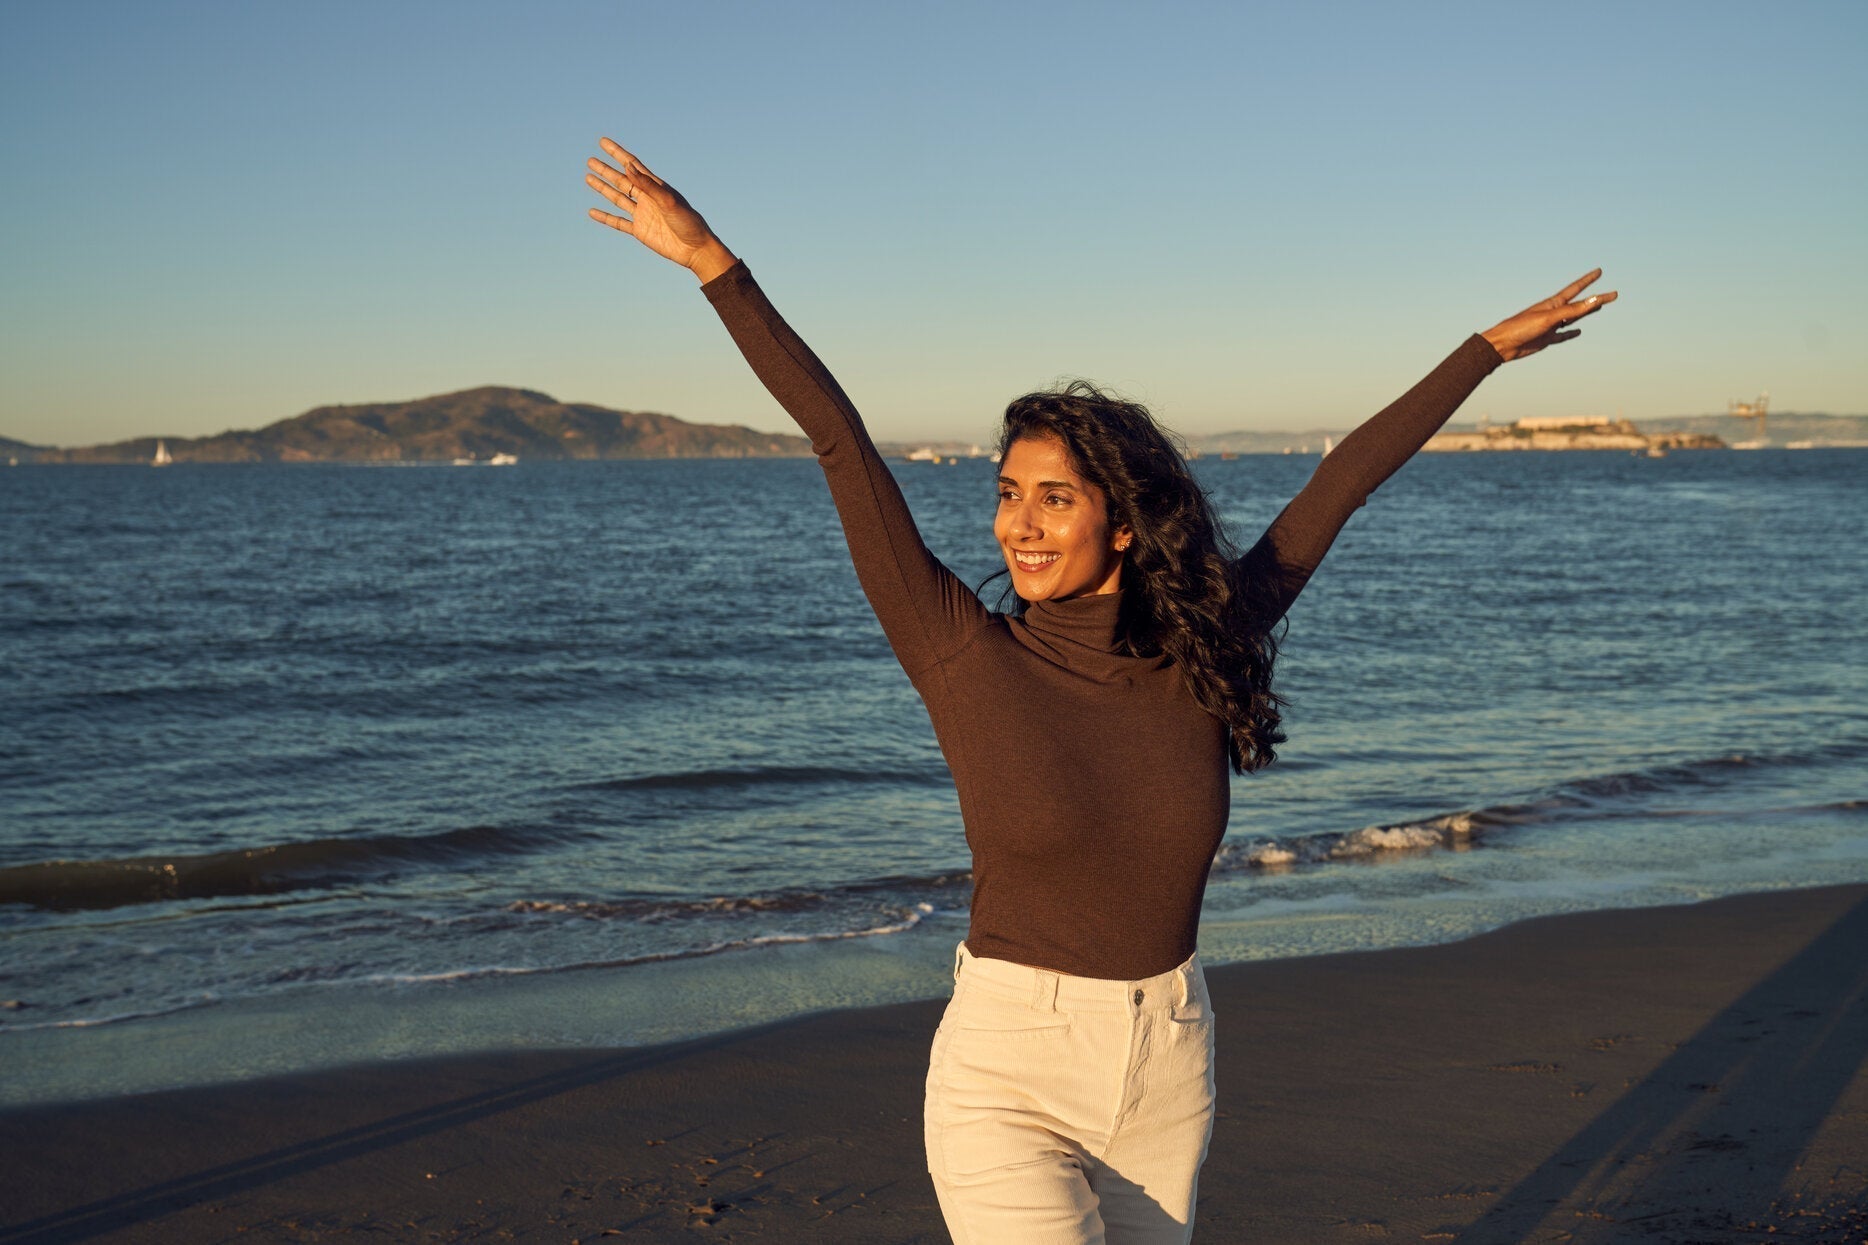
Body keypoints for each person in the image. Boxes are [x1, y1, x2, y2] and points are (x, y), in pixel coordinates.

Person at [585, 137, 1615, 1245]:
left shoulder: (1204, 647)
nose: (1017, 525)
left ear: (1119, 522)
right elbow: (842, 445)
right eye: (1006, 494)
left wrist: (1476, 356)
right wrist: (712, 266)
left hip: (1167, 1063)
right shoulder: (959, 652)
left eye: (1053, 498)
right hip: (1005, 1073)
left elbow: (1336, 486)